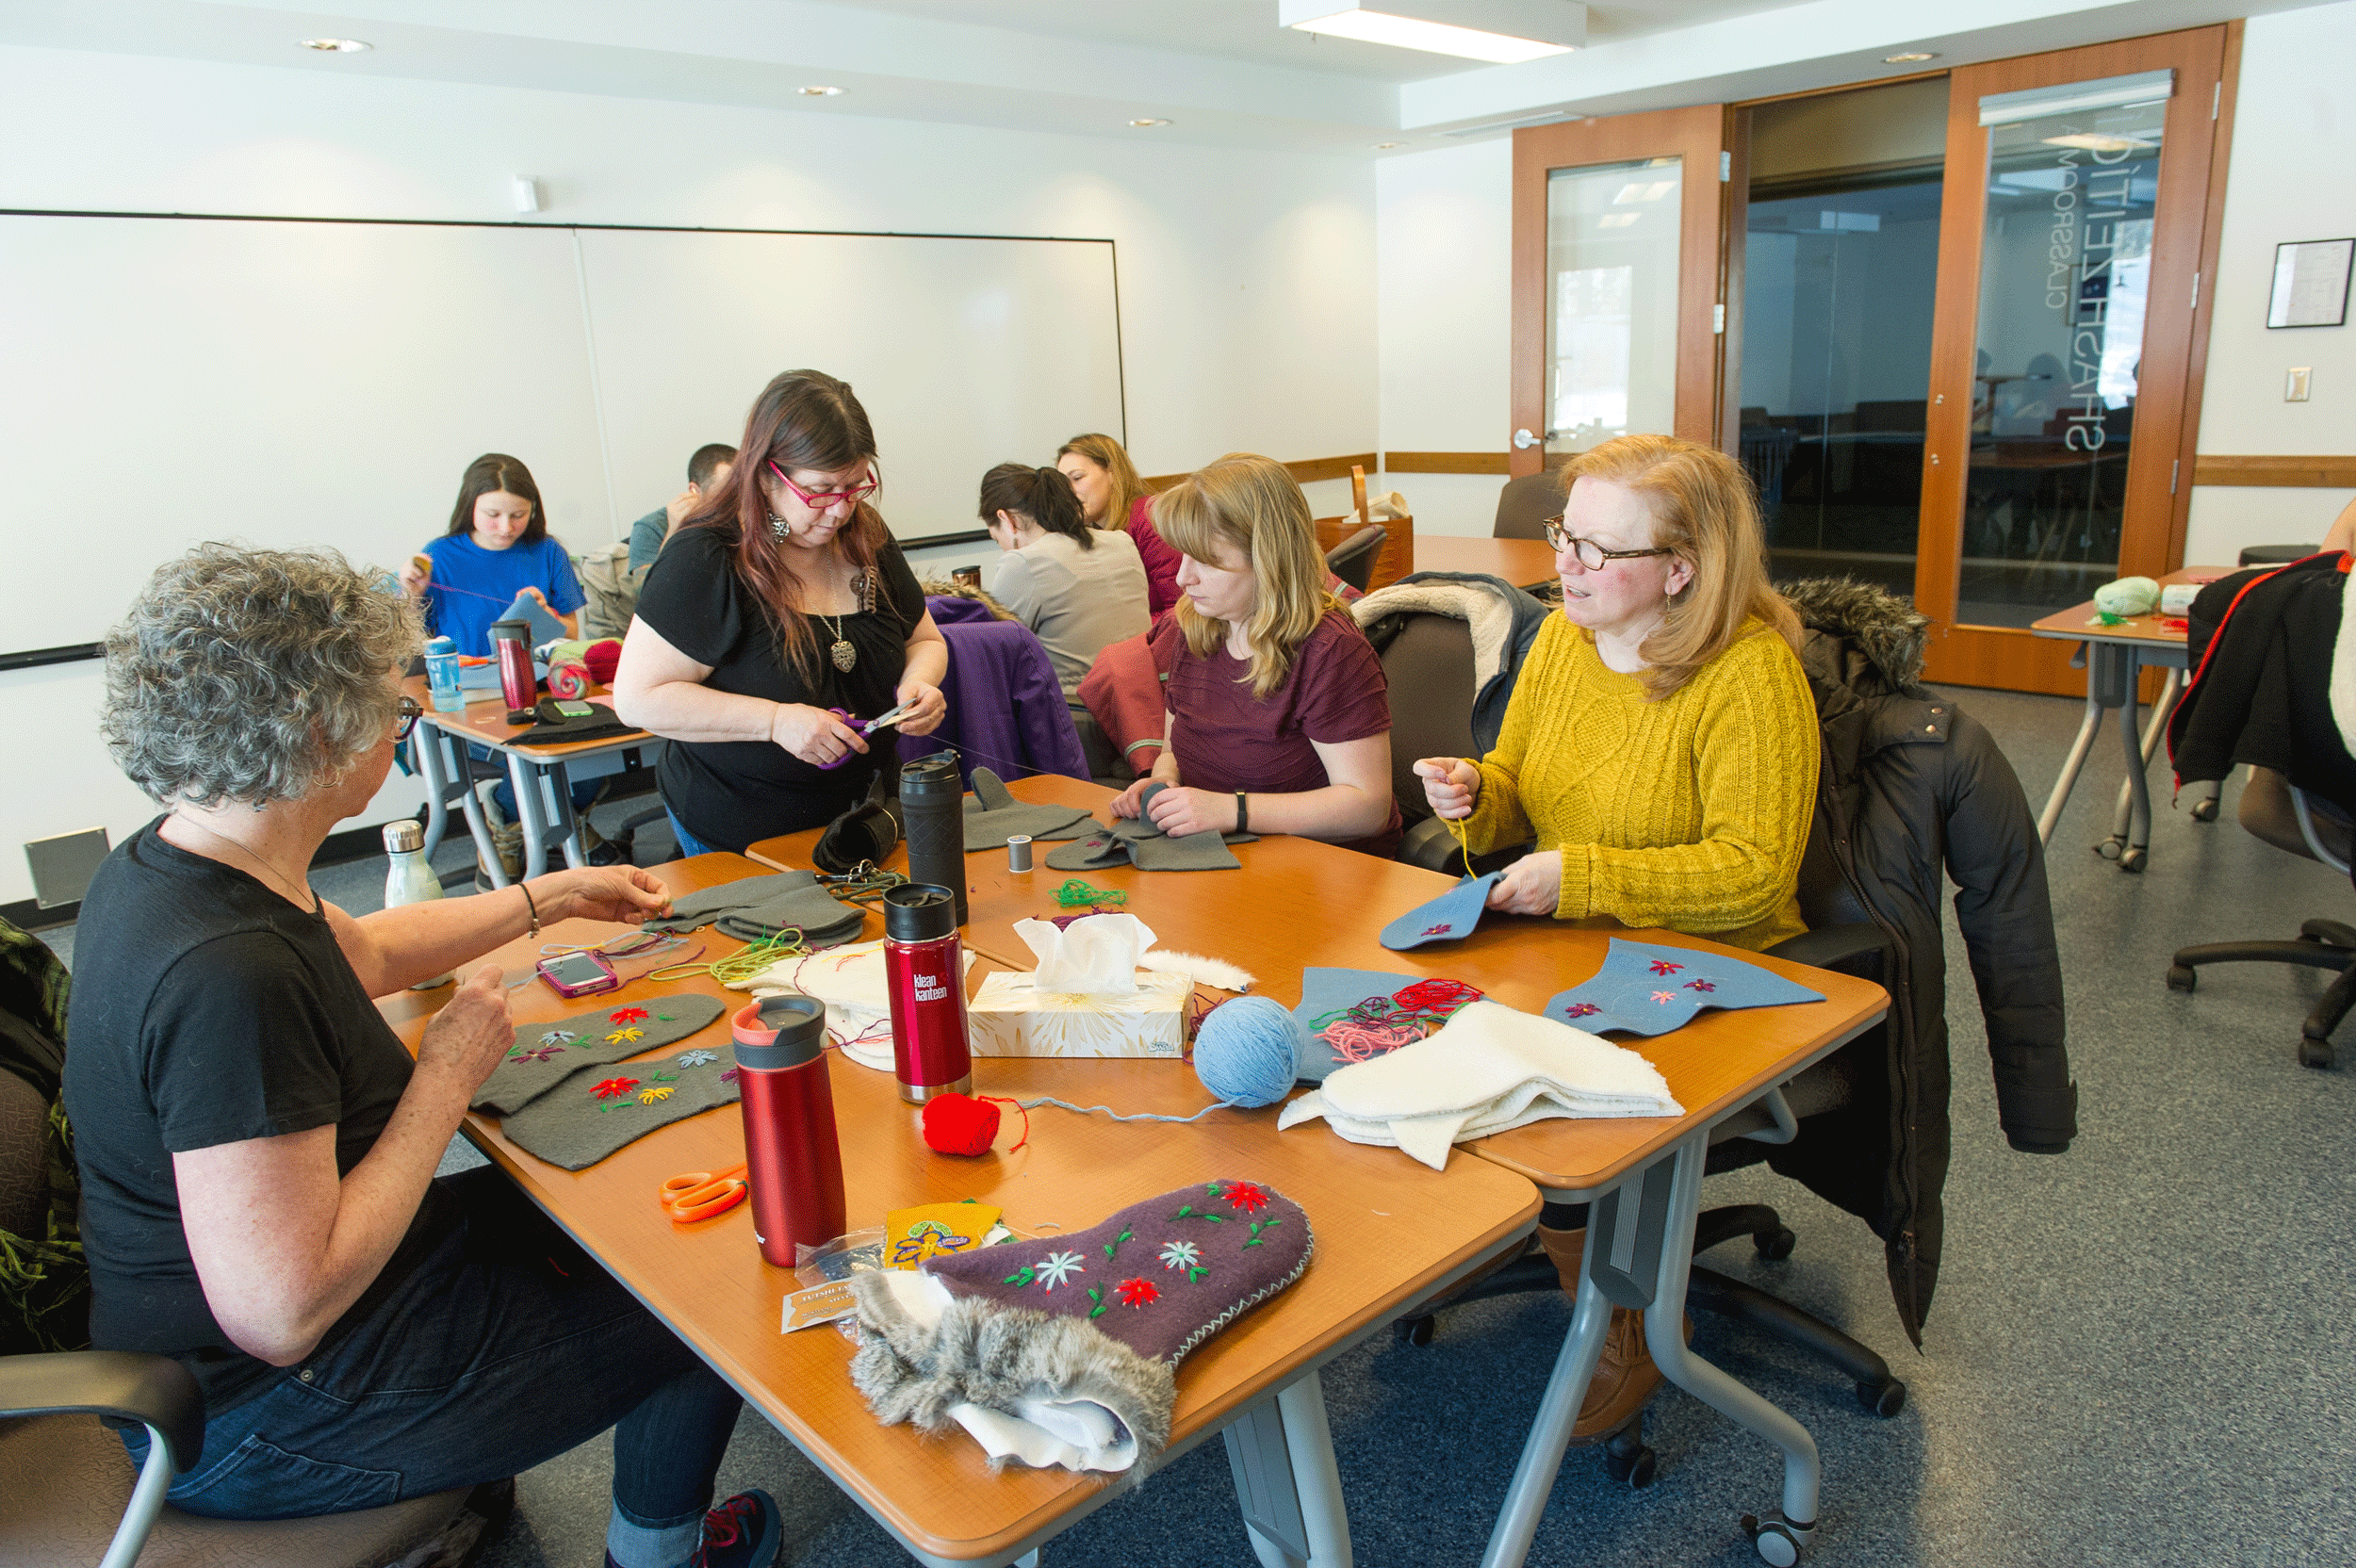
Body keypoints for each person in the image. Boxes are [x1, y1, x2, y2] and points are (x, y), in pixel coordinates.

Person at [65, 545, 782, 1568]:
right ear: (317, 731)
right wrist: (446, 1073)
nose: (402, 732)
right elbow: (284, 1309)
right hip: (263, 1418)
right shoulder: (229, 975)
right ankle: (658, 1554)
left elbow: (363, 953)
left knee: (630, 1204)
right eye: (393, 713)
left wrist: (552, 896)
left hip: (290, 1338)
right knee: (707, 1292)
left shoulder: (188, 856)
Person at [1413, 432, 1820, 1450]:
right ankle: (1543, 1234)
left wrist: (1580, 873)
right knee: (1410, 1034)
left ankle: (1629, 1318)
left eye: (1599, 551)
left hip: (1712, 969)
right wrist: (1477, 793)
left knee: (1555, 1096)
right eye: (1565, 536)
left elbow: (1753, 871)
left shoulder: (1749, 675)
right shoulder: (1558, 639)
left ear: (1679, 569)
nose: (1566, 566)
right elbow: (1517, 791)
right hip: (1570, 942)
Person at [614, 370, 948, 856]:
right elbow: (638, 699)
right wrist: (774, 722)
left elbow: (925, 640)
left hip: (864, 815)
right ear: (767, 474)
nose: (839, 511)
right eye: (820, 490)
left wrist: (920, 683)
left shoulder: (865, 535)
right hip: (741, 828)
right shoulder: (706, 558)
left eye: (855, 487)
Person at [1111, 452, 1399, 856]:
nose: (1182, 577)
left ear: (1267, 558)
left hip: (1326, 868)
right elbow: (1175, 749)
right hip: (1226, 852)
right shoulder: (1193, 626)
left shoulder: (1330, 650)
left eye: (1207, 561)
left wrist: (1233, 811)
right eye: (1182, 556)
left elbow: (1367, 808)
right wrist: (1163, 785)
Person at [979, 461, 1151, 698]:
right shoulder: (1121, 541)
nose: (1003, 549)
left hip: (1079, 713)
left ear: (1007, 519)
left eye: (997, 539)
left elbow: (993, 654)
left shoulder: (1024, 562)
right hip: (1146, 698)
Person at [396, 453, 585, 656]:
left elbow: (573, 636)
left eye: (518, 515)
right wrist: (411, 594)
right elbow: (405, 643)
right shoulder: (439, 556)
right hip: (466, 682)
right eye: (493, 515)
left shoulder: (548, 551)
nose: (506, 528)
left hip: (539, 680)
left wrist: (545, 614)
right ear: (470, 507)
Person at [1056, 432, 1184, 619]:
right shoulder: (1095, 533)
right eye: (1062, 485)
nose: (1068, 493)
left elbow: (1180, 611)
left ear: (1113, 472)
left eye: (1077, 478)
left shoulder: (1149, 519)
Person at [629, 442, 739, 572]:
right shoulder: (651, 527)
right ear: (694, 491)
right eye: (727, 490)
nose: (740, 497)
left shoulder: (750, 516)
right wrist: (673, 532)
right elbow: (643, 589)